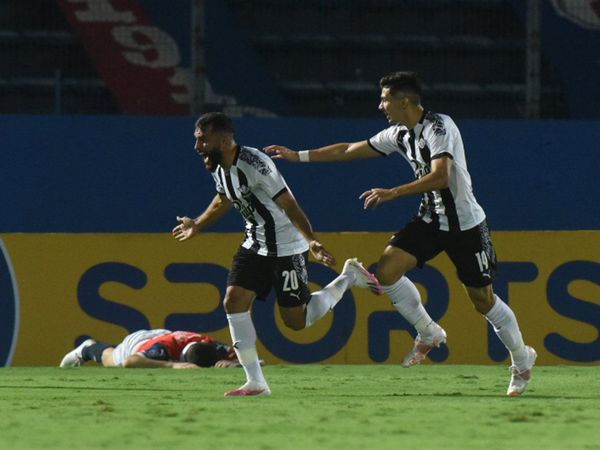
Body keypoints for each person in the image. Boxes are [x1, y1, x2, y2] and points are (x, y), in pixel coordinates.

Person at [264, 71, 537, 397]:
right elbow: (350, 149)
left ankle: (521, 359)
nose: (381, 106)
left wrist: (392, 193)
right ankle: (428, 331)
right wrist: (299, 156)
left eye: (385, 99)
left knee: (482, 300)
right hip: (430, 220)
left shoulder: (440, 126)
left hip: (466, 224)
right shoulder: (399, 134)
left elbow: (441, 177)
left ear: (404, 101)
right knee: (387, 271)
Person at [172, 112, 380, 397]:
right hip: (254, 245)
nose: (198, 147)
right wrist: (198, 224)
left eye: (203, 140)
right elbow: (223, 198)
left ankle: (347, 278)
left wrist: (312, 241)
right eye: (197, 140)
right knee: (233, 301)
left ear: (224, 139)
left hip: (287, 248)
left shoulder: (255, 164)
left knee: (296, 322)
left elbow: (290, 205)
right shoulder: (218, 165)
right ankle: (255, 382)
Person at [59, 329, 240, 369]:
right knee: (112, 361)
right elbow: (131, 362)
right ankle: (88, 349)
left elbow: (253, 361)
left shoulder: (214, 347)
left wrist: (235, 363)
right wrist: (172, 366)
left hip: (163, 334)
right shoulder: (163, 351)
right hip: (139, 343)